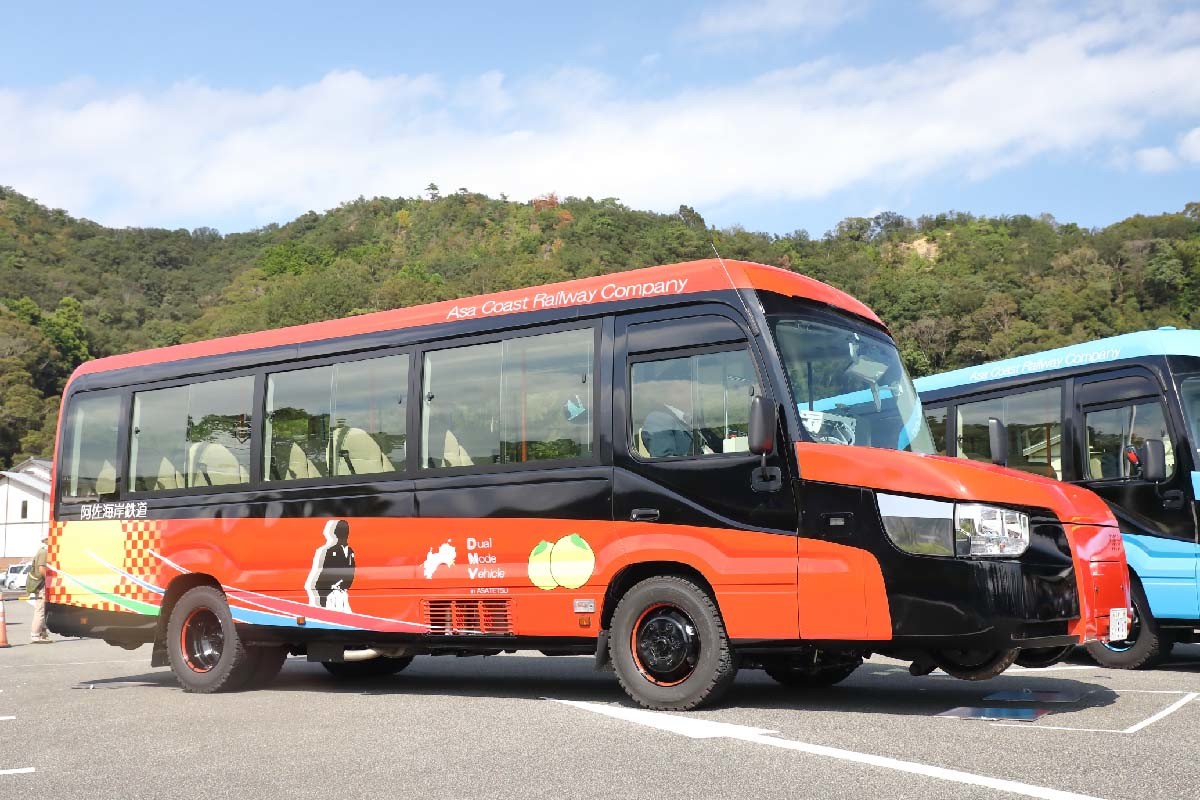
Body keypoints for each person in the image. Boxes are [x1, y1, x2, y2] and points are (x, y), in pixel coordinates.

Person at [28, 534, 51, 644]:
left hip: (41, 584)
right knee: (40, 610)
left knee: (43, 609)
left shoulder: (43, 551)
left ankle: (42, 634)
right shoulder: (44, 552)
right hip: (41, 585)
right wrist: (50, 581)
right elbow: (41, 569)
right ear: (46, 540)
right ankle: (36, 635)